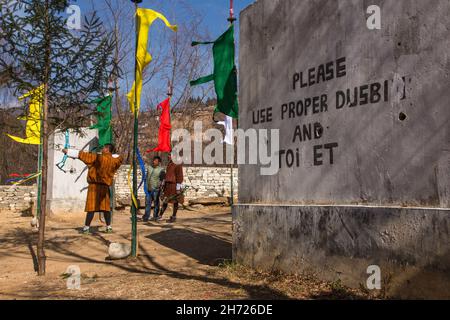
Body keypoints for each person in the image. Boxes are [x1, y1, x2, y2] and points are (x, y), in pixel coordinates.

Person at [63, 144, 123, 234]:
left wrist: (68, 152)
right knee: (106, 208)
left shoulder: (97, 158)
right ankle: (109, 227)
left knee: (91, 208)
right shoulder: (115, 161)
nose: (102, 149)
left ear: (107, 149)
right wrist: (110, 155)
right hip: (105, 187)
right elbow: (119, 157)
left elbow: (83, 155)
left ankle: (86, 228)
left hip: (94, 186)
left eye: (104, 148)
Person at [159, 153, 183, 223]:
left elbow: (179, 176)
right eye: (168, 156)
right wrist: (163, 183)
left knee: (175, 201)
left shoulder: (178, 164)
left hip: (174, 185)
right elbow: (168, 175)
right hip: (168, 185)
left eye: (170, 155)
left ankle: (174, 216)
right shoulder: (169, 164)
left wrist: (178, 188)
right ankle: (160, 216)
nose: (168, 157)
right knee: (165, 200)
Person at [142, 156, 165, 222]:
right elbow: (144, 168)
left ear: (159, 162)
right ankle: (146, 216)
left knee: (156, 204)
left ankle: (155, 216)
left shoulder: (161, 170)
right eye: (154, 160)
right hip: (148, 190)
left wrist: (159, 187)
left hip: (156, 190)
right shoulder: (149, 167)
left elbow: (162, 180)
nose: (154, 162)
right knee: (147, 203)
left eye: (156, 161)